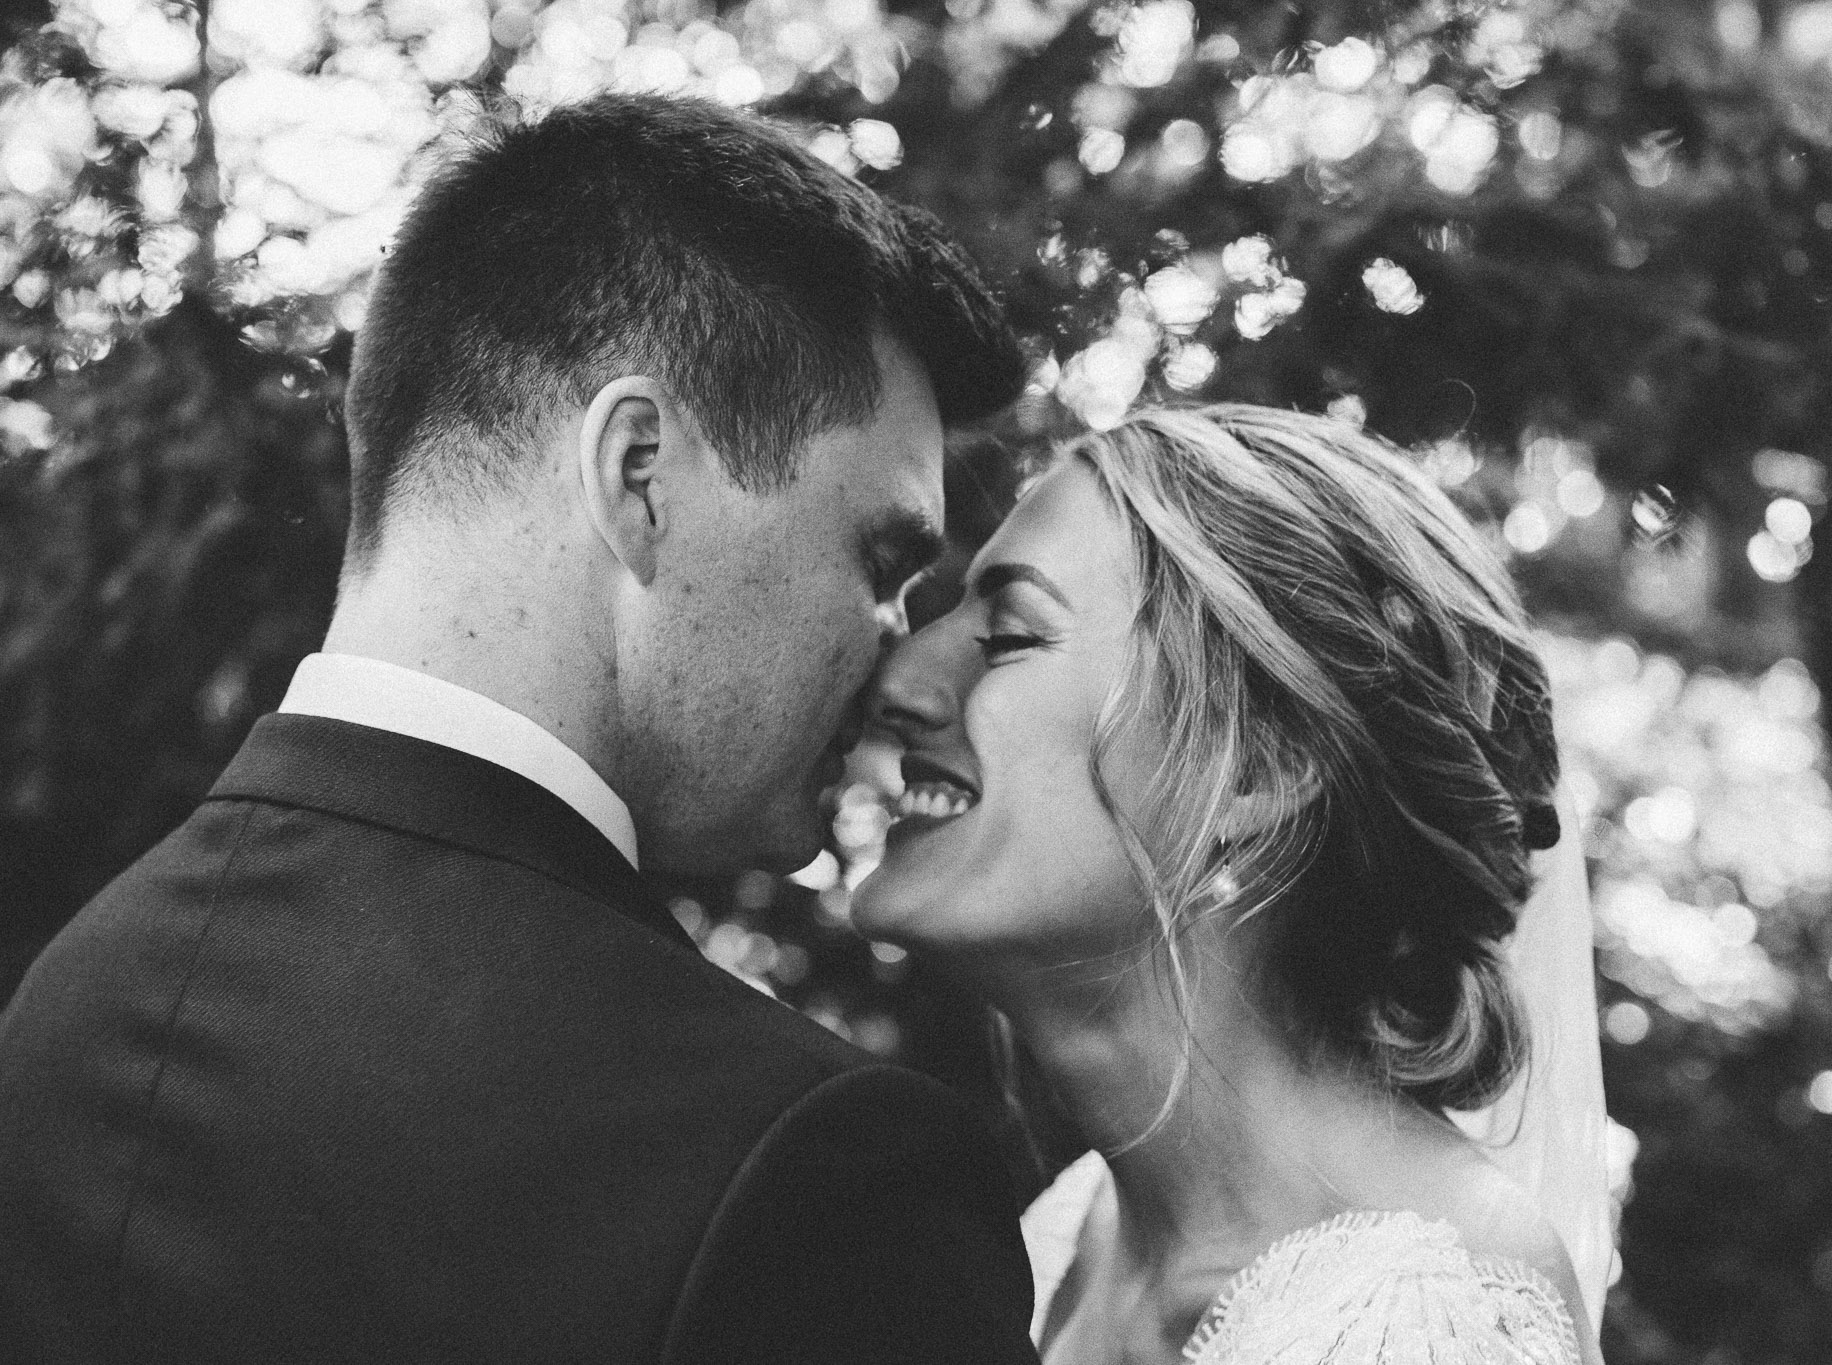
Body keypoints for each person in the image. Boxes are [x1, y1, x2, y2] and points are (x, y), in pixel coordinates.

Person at [0, 95, 1040, 1364]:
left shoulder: (62, 1023)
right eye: (880, 558)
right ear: (639, 472)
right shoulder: (809, 1169)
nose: (893, 653)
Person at [855, 404, 1609, 1364]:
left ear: (1258, 769)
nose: (902, 680)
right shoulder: (1070, 1234)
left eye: (1007, 635)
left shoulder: (1423, 1321)